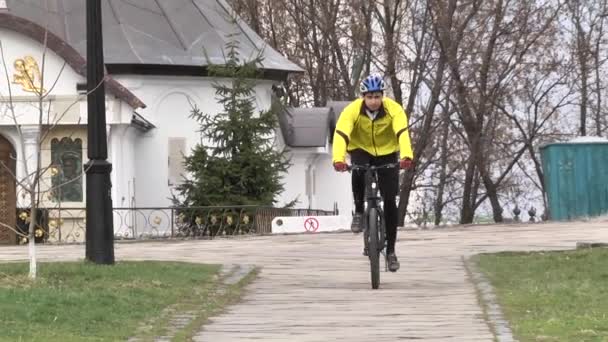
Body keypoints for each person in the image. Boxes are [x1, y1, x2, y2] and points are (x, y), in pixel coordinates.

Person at [332, 73, 414, 272]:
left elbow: (402, 132)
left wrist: (406, 156)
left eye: (377, 96)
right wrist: (339, 159)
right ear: (363, 97)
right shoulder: (352, 111)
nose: (374, 101)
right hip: (360, 148)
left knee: (389, 200)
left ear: (382, 96)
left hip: (387, 153)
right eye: (370, 97)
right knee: (358, 171)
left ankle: (392, 251)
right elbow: (342, 133)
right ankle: (359, 212)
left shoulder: (394, 110)